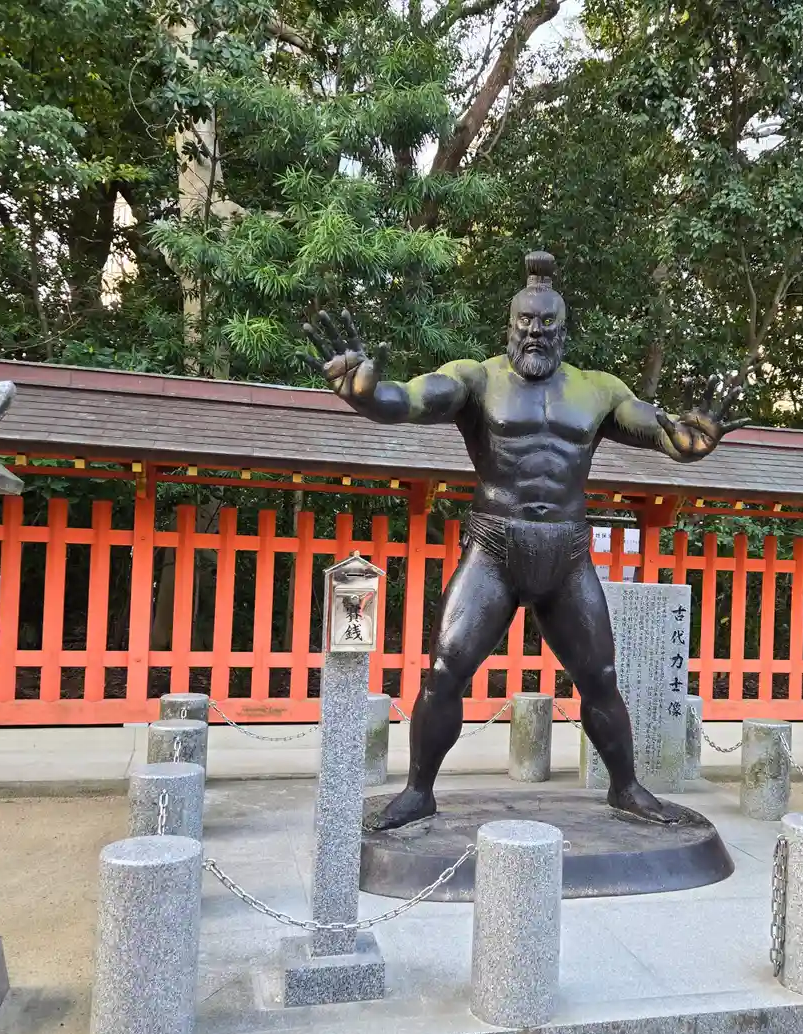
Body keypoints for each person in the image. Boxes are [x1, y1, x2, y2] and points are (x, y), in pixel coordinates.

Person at [303, 251, 746, 829]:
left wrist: (685, 442)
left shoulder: (598, 390)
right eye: (525, 322)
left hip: (566, 552)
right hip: (495, 547)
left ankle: (626, 787)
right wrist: (366, 395)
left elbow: (659, 430)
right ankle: (418, 790)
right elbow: (408, 399)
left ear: (564, 330)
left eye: (547, 323)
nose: (535, 332)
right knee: (446, 671)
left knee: (600, 678)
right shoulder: (476, 378)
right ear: (509, 326)